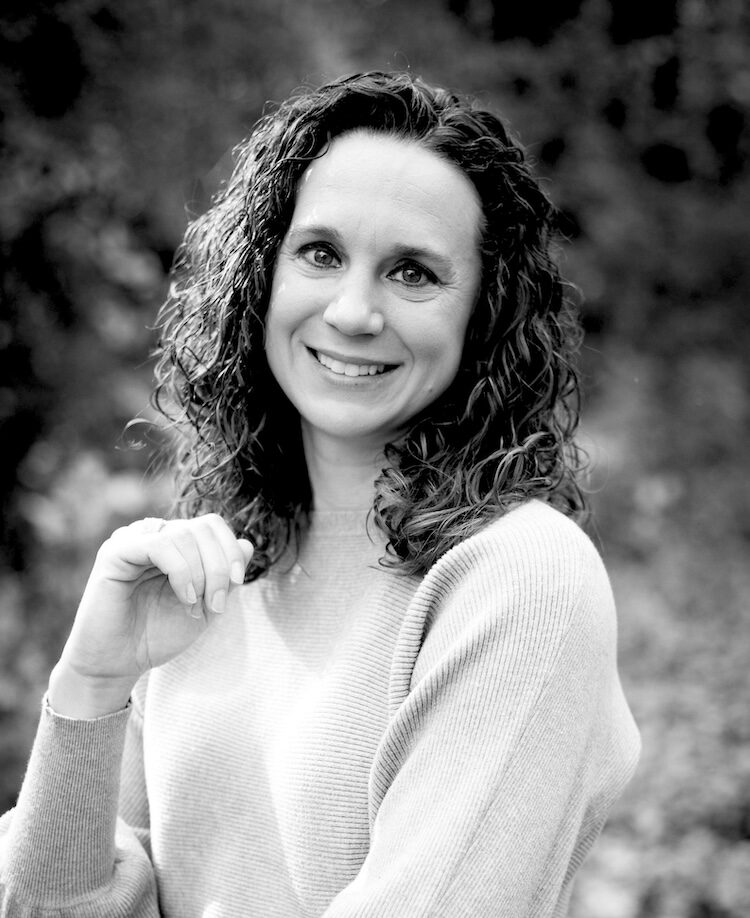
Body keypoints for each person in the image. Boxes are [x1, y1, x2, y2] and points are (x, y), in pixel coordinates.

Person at [0, 71, 640, 917]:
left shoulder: (520, 580)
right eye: (322, 253)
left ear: (483, 314)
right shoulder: (205, 576)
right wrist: (91, 683)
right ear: (262, 274)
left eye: (412, 273)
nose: (353, 311)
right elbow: (50, 910)